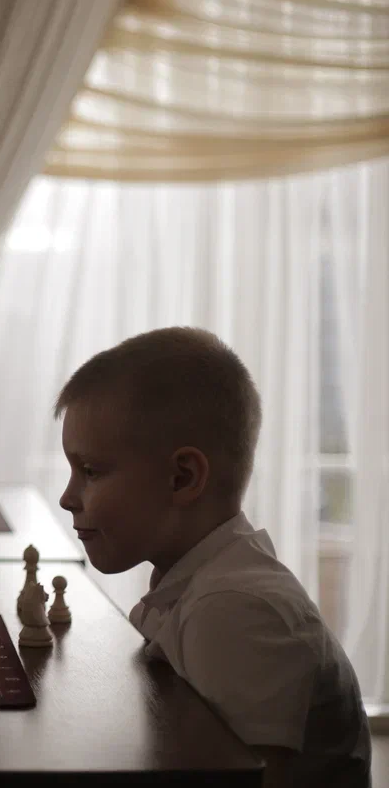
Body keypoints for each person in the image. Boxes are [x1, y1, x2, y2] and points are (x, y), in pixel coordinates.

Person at [56, 327, 370, 787]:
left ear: (183, 477)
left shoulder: (236, 610)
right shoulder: (194, 585)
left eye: (90, 471)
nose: (67, 498)